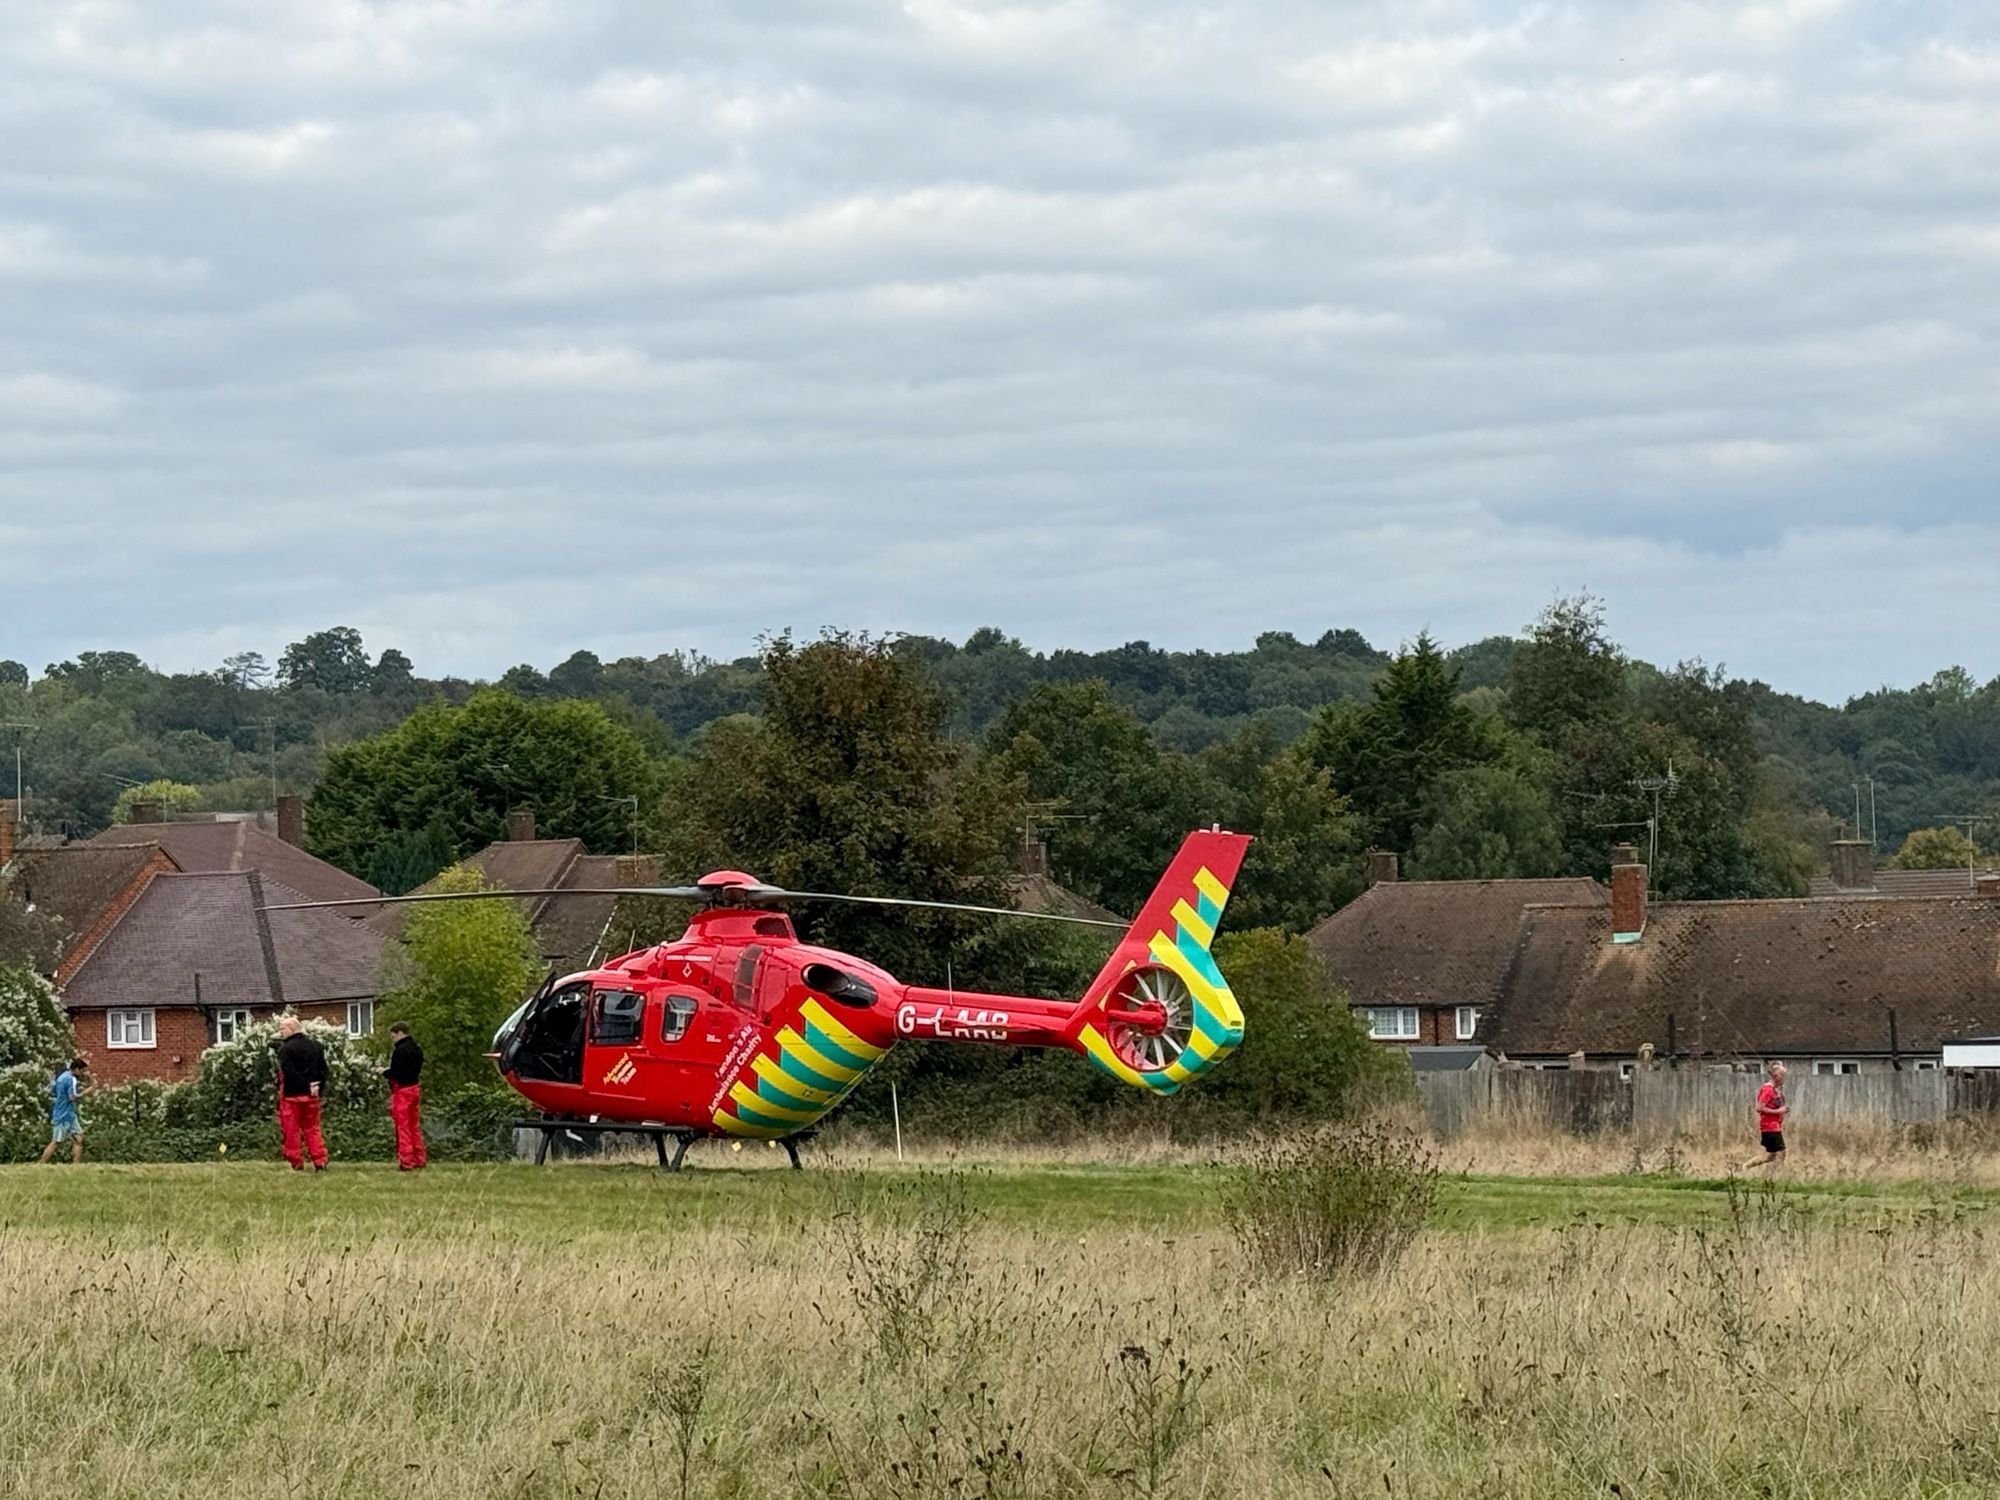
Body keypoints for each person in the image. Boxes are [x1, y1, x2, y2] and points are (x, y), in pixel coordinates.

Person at [275, 1016, 330, 1172]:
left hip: (292, 1096)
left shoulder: (286, 1049)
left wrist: (304, 1085)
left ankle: (296, 1162)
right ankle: (320, 1161)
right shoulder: (316, 1046)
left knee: (291, 1131)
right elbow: (324, 1071)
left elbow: (289, 1072)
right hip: (312, 1096)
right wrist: (317, 1087)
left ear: (291, 1029)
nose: (280, 1033)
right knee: (313, 1129)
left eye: (282, 1029)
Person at [382, 1023, 427, 1171]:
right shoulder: (417, 1049)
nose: (393, 1039)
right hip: (415, 1088)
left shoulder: (400, 1051)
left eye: (393, 1035)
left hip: (402, 1090)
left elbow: (397, 1072)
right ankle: (419, 1158)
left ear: (400, 1033)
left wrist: (384, 1073)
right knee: (414, 1126)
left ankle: (406, 1161)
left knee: (403, 1127)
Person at [38, 1057, 88, 1164]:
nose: (83, 1074)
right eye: (82, 1071)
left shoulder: (61, 1077)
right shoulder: (71, 1079)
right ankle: (41, 1163)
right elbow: (72, 1097)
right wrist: (87, 1092)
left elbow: (53, 1092)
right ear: (77, 1069)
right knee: (56, 1141)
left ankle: (76, 1165)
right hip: (64, 1115)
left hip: (68, 1114)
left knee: (79, 1139)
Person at [1743, 1061, 1788, 1169]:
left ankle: (1744, 1167)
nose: (1784, 1079)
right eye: (1783, 1076)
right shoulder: (1768, 1090)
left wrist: (1782, 1110)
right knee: (1781, 1154)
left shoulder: (1774, 1090)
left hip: (1774, 1126)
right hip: (1769, 1126)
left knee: (1771, 1156)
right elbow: (1759, 1108)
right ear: (1776, 1076)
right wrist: (1779, 1111)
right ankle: (1769, 1177)